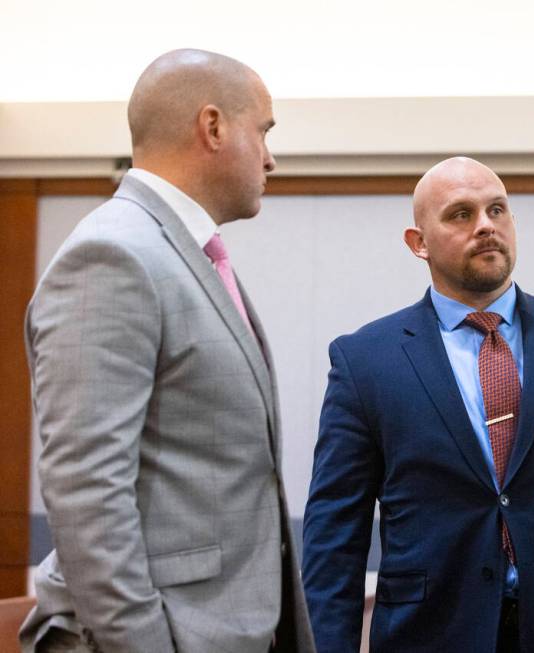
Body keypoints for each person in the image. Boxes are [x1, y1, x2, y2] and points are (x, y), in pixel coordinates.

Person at [20, 49, 315, 653]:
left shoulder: (181, 251)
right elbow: (86, 488)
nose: (270, 158)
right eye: (263, 131)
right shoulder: (112, 256)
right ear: (212, 127)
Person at [302, 156, 534, 652]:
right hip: (430, 632)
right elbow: (334, 537)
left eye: (497, 211)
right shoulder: (365, 360)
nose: (485, 227)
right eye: (460, 214)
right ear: (419, 243)